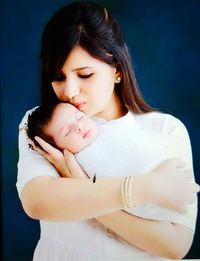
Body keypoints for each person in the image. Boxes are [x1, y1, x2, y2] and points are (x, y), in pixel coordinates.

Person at [17, 1, 199, 260]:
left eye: (85, 74)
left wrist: (79, 184)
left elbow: (175, 246)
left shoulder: (166, 130)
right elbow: (38, 201)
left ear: (117, 70)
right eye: (58, 76)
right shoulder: (43, 123)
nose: (69, 91)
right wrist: (145, 187)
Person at [26, 101, 198, 225]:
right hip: (144, 202)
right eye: (67, 132)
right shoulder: (77, 162)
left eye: (79, 117)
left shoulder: (111, 127)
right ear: (53, 149)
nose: (78, 127)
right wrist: (79, 179)